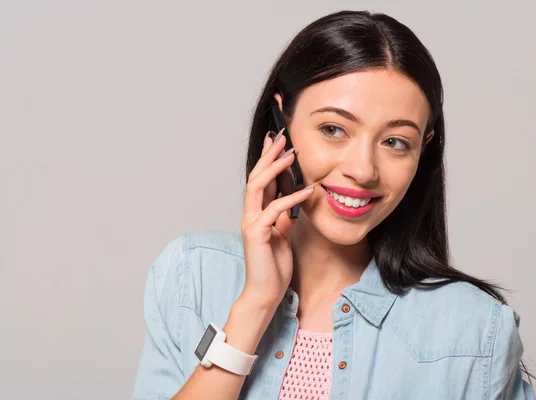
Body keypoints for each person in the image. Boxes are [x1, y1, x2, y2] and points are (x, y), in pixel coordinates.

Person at [132, 9, 535, 400]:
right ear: (281, 124)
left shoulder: (475, 331)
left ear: (421, 152)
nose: (363, 170)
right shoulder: (192, 276)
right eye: (333, 129)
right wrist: (255, 305)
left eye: (395, 142)